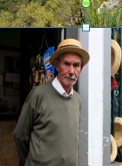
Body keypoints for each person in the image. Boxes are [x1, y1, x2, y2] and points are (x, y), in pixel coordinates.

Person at [14, 38, 90, 166]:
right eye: (66, 64)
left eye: (76, 65)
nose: (71, 71)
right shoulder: (38, 94)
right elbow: (20, 135)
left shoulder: (77, 99)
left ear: (81, 68)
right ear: (57, 64)